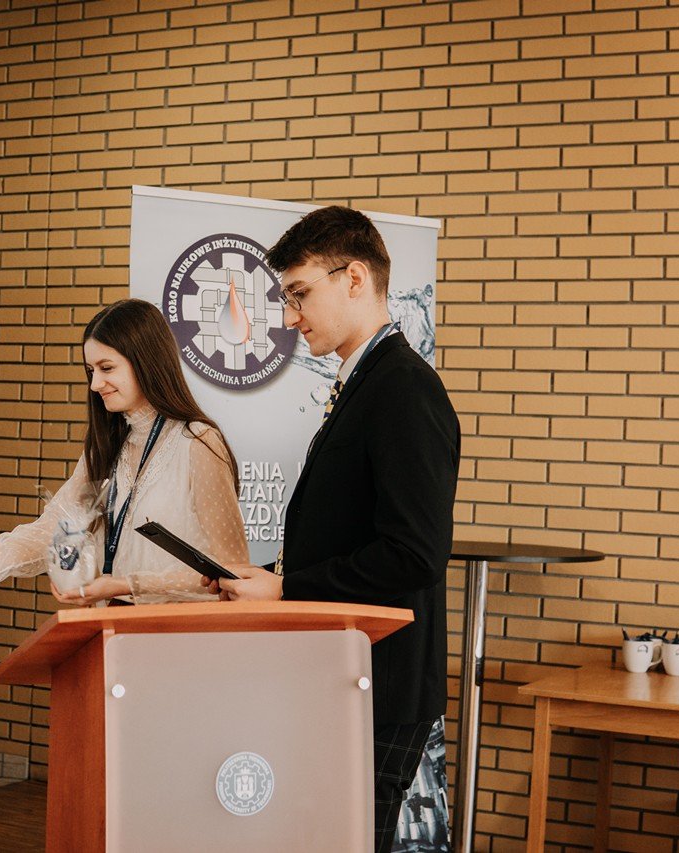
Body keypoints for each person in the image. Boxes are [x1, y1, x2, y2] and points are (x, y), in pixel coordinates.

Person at [205, 207, 460, 853]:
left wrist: (288, 589)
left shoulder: (404, 388)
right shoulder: (365, 381)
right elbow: (347, 529)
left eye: (299, 294)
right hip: (346, 672)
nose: (291, 317)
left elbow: (414, 553)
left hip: (380, 682)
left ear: (353, 278)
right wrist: (266, 575)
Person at [0, 298, 248, 605]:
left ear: (147, 362)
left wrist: (125, 585)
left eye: (106, 368)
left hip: (178, 631)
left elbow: (234, 574)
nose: (95, 384)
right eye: (91, 370)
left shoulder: (198, 442)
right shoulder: (108, 444)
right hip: (111, 624)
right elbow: (56, 528)